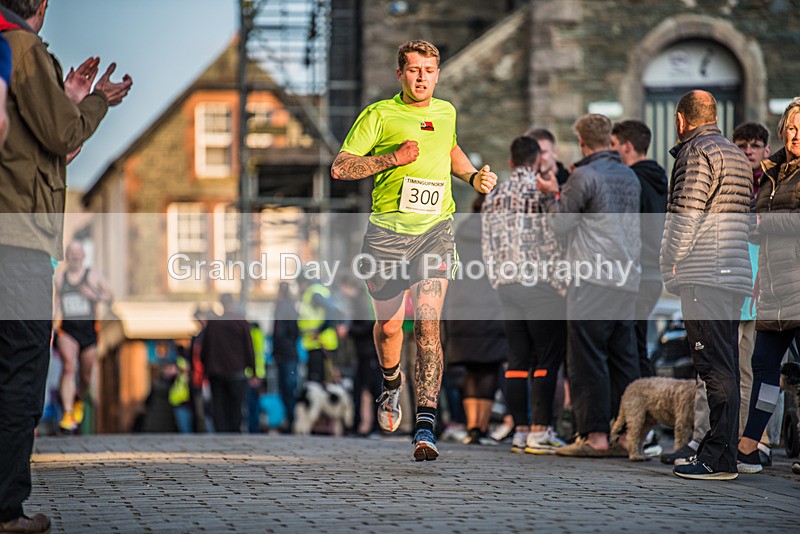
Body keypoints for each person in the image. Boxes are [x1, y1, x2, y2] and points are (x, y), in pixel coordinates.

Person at [331, 40, 497, 461]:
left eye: (429, 70)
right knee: (389, 329)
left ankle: (425, 424)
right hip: (386, 235)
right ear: (400, 74)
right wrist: (392, 158)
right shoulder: (379, 114)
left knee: (427, 325)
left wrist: (473, 176)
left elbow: (451, 150)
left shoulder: (446, 111)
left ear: (438, 75)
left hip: (435, 232)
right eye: (414, 70)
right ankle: (391, 384)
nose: (422, 77)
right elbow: (341, 167)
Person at [0, 1, 131, 530]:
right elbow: (61, 137)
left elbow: (43, 148)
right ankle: (6, 509)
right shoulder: (21, 48)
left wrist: (69, 101)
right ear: (43, 5)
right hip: (19, 241)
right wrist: (95, 103)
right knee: (21, 374)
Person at [537, 114, 642, 457]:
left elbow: (561, 226)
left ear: (582, 142)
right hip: (627, 277)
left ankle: (594, 436)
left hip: (592, 276)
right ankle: (627, 435)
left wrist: (554, 195)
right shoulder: (629, 175)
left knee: (586, 357)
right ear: (610, 140)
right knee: (623, 357)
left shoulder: (583, 175)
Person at [661, 90, 752, 480]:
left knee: (713, 366)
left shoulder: (696, 152)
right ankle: (725, 451)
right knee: (727, 363)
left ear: (681, 120)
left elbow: (686, 213)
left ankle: (717, 457)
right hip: (732, 270)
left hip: (704, 271)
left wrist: (670, 261)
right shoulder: (735, 153)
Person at [482, 136, 568, 454]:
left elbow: (487, 240)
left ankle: (519, 430)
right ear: (537, 160)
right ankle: (540, 430)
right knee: (547, 358)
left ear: (510, 161)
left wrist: (495, 277)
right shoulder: (541, 189)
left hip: (506, 283)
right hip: (542, 283)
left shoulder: (495, 192)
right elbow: (555, 234)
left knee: (517, 360)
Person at [737, 100, 800, 473]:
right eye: (791, 127)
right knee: (763, 366)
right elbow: (758, 219)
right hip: (775, 282)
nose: (796, 135)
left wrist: (764, 226)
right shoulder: (772, 169)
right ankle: (749, 445)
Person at [610, 120, 668, 457]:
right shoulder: (659, 179)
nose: (612, 152)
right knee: (637, 348)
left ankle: (638, 431)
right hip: (652, 274)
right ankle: (645, 430)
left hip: (634, 274)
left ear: (627, 146)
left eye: (615, 145)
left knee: (627, 350)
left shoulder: (632, 180)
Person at [442, 193, 508, 446]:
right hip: (491, 306)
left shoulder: (462, 229)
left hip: (462, 308)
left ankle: (471, 426)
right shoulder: (498, 233)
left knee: (470, 369)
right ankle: (481, 427)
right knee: (488, 368)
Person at [53, 240, 113, 432]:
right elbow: (55, 306)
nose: (74, 256)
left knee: (86, 377)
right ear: (67, 256)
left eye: (78, 252)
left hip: (89, 332)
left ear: (83, 256)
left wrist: (93, 295)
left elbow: (110, 298)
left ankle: (78, 399)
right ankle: (68, 413)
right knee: (69, 368)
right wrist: (49, 326)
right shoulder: (60, 279)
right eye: (71, 252)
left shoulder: (93, 276)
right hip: (67, 331)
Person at [200, 294, 256, 433]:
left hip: (216, 372)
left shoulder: (213, 323)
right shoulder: (240, 322)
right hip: (236, 372)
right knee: (235, 406)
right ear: (232, 303)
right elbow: (249, 348)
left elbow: (204, 349)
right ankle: (234, 433)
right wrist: (253, 370)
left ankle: (221, 433)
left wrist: (207, 367)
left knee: (219, 406)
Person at [297, 275, 339, 384]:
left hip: (320, 344)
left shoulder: (314, 293)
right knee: (323, 381)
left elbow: (332, 311)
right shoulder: (319, 291)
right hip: (318, 344)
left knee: (318, 383)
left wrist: (319, 330)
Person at [272, 282, 299, 433]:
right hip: (290, 352)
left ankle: (290, 422)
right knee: (290, 389)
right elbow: (295, 331)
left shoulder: (281, 307)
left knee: (286, 389)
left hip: (284, 354)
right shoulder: (292, 306)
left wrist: (276, 352)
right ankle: (291, 420)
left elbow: (278, 333)